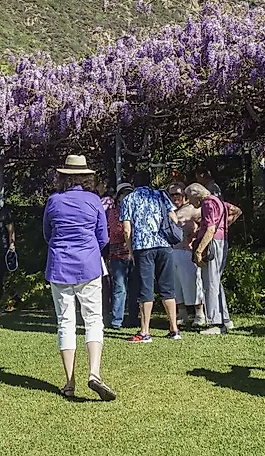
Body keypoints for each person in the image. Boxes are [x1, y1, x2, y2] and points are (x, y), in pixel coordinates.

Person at [44, 155, 115, 401]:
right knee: (93, 319)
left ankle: (69, 381)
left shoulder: (53, 201)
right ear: (86, 176)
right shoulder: (94, 200)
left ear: (63, 176)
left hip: (60, 265)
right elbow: (103, 237)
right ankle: (94, 373)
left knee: (65, 321)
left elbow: (47, 232)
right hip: (88, 264)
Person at [119, 170, 182, 343]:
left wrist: (130, 250)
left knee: (145, 288)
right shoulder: (161, 195)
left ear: (134, 183)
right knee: (168, 287)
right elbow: (174, 218)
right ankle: (174, 329)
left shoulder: (129, 199)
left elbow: (126, 228)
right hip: (164, 245)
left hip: (143, 247)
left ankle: (145, 331)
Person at [190, 183, 241, 335]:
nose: (190, 202)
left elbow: (210, 228)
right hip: (222, 241)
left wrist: (199, 251)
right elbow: (236, 211)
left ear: (196, 195)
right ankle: (225, 319)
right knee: (216, 281)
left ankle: (216, 322)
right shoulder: (218, 200)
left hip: (213, 244)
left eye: (190, 198)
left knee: (210, 282)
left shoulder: (207, 203)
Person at [167, 184, 204, 327]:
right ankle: (182, 314)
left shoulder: (193, 208)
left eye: (178, 194)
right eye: (172, 195)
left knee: (192, 283)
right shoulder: (169, 210)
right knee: (176, 286)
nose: (175, 197)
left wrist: (196, 237)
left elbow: (207, 224)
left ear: (184, 195)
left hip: (187, 252)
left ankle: (199, 314)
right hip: (172, 251)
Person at [105, 182, 136, 329]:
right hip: (118, 255)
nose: (127, 197)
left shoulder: (137, 210)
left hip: (135, 255)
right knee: (120, 288)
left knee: (135, 288)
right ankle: (117, 320)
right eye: (124, 194)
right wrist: (130, 229)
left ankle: (134, 319)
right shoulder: (113, 211)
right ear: (118, 197)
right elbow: (117, 231)